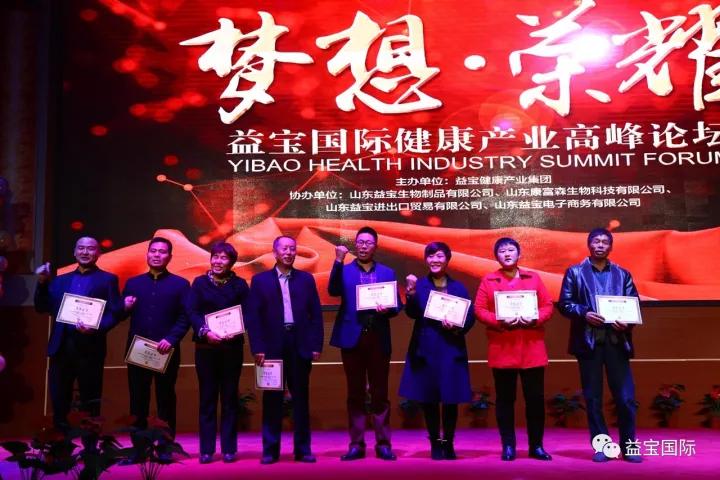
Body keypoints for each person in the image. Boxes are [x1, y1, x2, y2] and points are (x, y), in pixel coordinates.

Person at [558, 228, 642, 463]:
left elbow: (633, 304)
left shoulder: (623, 274)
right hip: (589, 343)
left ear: (610, 247)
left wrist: (626, 322)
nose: (601, 245)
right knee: (593, 398)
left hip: (617, 342)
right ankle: (602, 446)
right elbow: (565, 303)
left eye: (605, 242)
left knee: (625, 398)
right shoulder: (575, 272)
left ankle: (629, 446)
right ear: (589, 244)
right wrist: (584, 312)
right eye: (596, 241)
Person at [34, 236, 121, 444]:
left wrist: (96, 327)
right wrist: (42, 283)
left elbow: (115, 313)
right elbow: (42, 307)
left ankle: (90, 449)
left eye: (90, 248)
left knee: (90, 402)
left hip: (90, 350)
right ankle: (60, 448)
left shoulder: (108, 279)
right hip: (61, 348)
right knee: (59, 402)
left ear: (98, 253)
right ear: (74, 252)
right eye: (81, 248)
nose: (85, 252)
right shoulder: (60, 280)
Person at [474, 237, 554, 461]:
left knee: (535, 400)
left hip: (532, 349)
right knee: (505, 400)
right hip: (503, 348)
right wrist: (499, 320)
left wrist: (535, 318)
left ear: (519, 254)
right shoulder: (489, 280)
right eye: (502, 251)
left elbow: (547, 305)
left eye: (511, 250)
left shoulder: (533, 278)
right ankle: (508, 446)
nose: (507, 254)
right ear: (496, 256)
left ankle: (536, 446)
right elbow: (479, 310)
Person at [246, 236, 324, 464]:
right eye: (284, 249)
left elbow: (315, 315)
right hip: (271, 347)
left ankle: (303, 449)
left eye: (292, 249)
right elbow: (254, 318)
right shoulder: (259, 281)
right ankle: (270, 450)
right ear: (275, 252)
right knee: (272, 400)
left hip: (300, 344)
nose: (289, 252)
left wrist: (316, 344)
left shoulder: (306, 279)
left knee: (301, 399)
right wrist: (257, 347)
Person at [329, 226, 402, 461]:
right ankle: (356, 444)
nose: (363, 246)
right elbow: (332, 290)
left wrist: (388, 309)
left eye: (368, 243)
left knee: (380, 393)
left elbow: (397, 307)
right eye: (360, 242)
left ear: (375, 246)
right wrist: (337, 261)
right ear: (355, 245)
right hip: (352, 338)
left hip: (378, 338)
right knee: (355, 393)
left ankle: (383, 443)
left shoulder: (388, 272)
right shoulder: (344, 270)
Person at [399, 242, 474, 460]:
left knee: (450, 398)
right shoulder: (419, 285)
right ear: (426, 260)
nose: (435, 260)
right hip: (426, 348)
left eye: (440, 256)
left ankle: (448, 443)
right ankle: (434, 442)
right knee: (429, 398)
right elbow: (412, 314)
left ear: (447, 259)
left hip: (451, 347)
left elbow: (469, 317)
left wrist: (457, 326)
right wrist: (411, 293)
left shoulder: (459, 287)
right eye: (431, 256)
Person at [120, 237, 190, 463]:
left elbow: (185, 317)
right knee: (137, 400)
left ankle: (165, 448)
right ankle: (139, 450)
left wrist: (171, 338)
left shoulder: (181, 284)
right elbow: (120, 314)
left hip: (166, 350)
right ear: (147, 254)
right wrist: (124, 307)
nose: (157, 255)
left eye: (162, 252)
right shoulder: (133, 283)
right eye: (153, 251)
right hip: (138, 351)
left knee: (165, 399)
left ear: (170, 257)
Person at [187, 242, 249, 464]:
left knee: (230, 399)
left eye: (223, 258)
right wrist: (205, 332)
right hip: (206, 348)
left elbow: (248, 312)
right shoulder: (199, 283)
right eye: (215, 257)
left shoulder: (240, 285)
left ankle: (229, 449)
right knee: (207, 398)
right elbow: (192, 311)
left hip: (232, 348)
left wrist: (236, 329)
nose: (218, 261)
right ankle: (206, 450)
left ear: (231, 262)